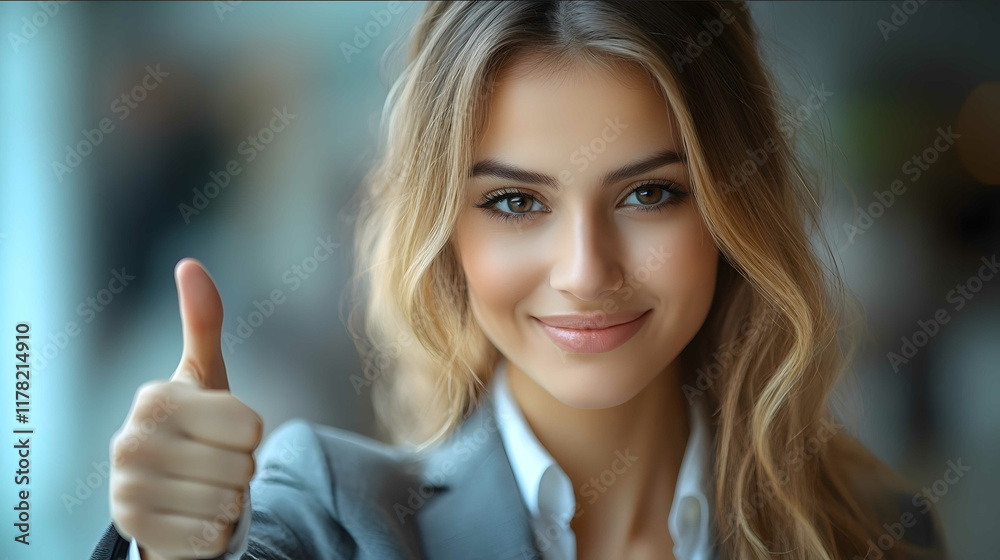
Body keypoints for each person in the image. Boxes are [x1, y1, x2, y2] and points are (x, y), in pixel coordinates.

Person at [89, 2, 951, 559]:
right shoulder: (331, 516)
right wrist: (169, 548)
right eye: (513, 202)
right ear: (444, 234)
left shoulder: (878, 531)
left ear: (734, 210)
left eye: (649, 193)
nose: (585, 272)